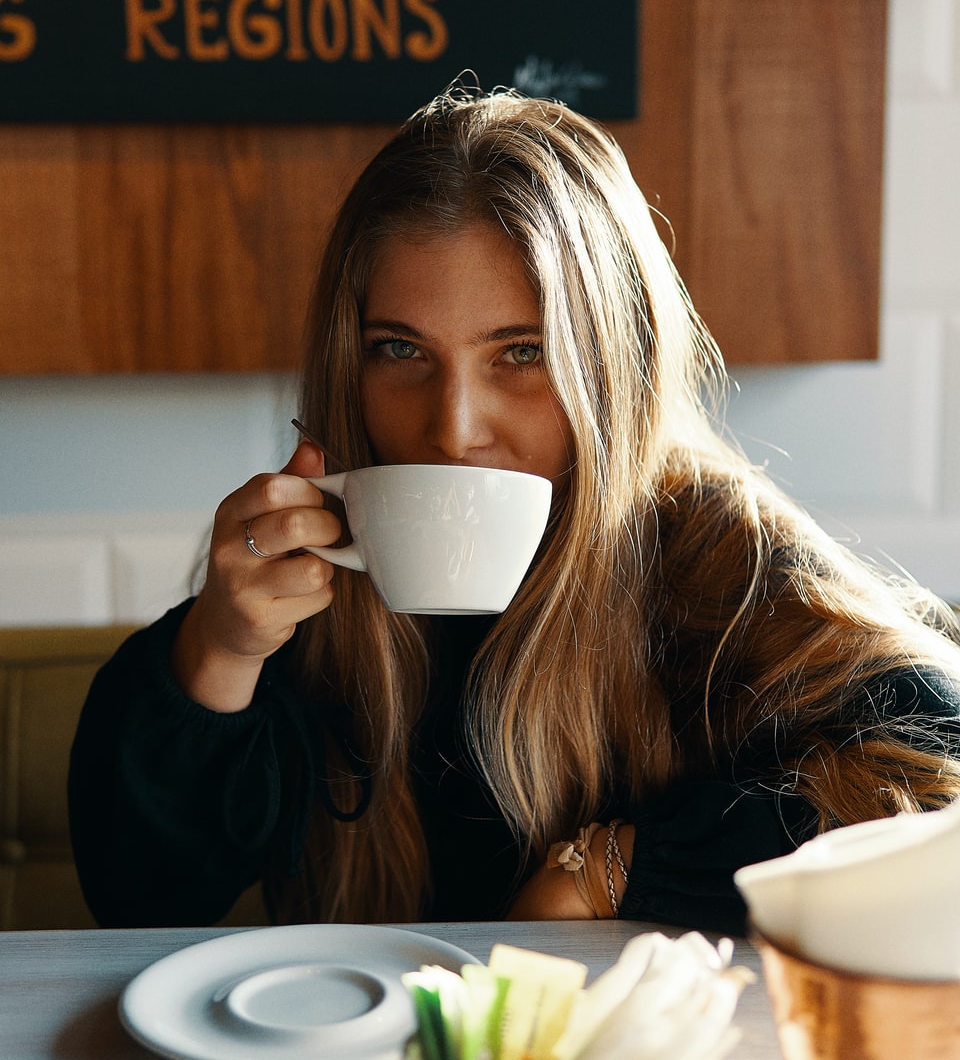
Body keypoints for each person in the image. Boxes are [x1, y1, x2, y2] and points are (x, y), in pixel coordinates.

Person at [69, 83, 960, 932]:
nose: (453, 429)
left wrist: (616, 869)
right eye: (400, 350)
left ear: (615, 366)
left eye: (522, 353)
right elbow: (138, 903)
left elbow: (942, 781)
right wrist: (219, 654)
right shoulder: (303, 594)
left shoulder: (712, 557)